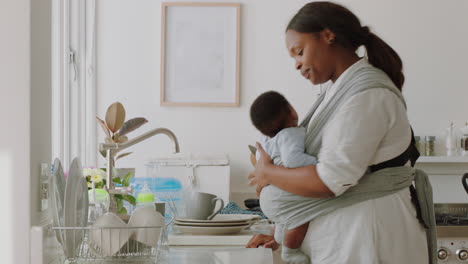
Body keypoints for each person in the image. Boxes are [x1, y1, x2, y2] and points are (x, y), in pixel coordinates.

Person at [246, 2, 435, 264]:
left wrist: (268, 173)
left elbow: (329, 180)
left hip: (367, 238)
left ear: (327, 36)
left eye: (299, 52)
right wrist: (278, 233)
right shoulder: (336, 93)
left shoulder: (366, 95)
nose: (297, 65)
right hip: (346, 240)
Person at [250, 90, 318, 264]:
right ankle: (290, 251)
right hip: (280, 195)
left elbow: (260, 164)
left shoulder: (266, 140)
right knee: (300, 218)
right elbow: (294, 161)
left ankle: (279, 237)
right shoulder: (291, 134)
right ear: (291, 110)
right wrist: (319, 162)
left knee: (286, 218)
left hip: (270, 196)